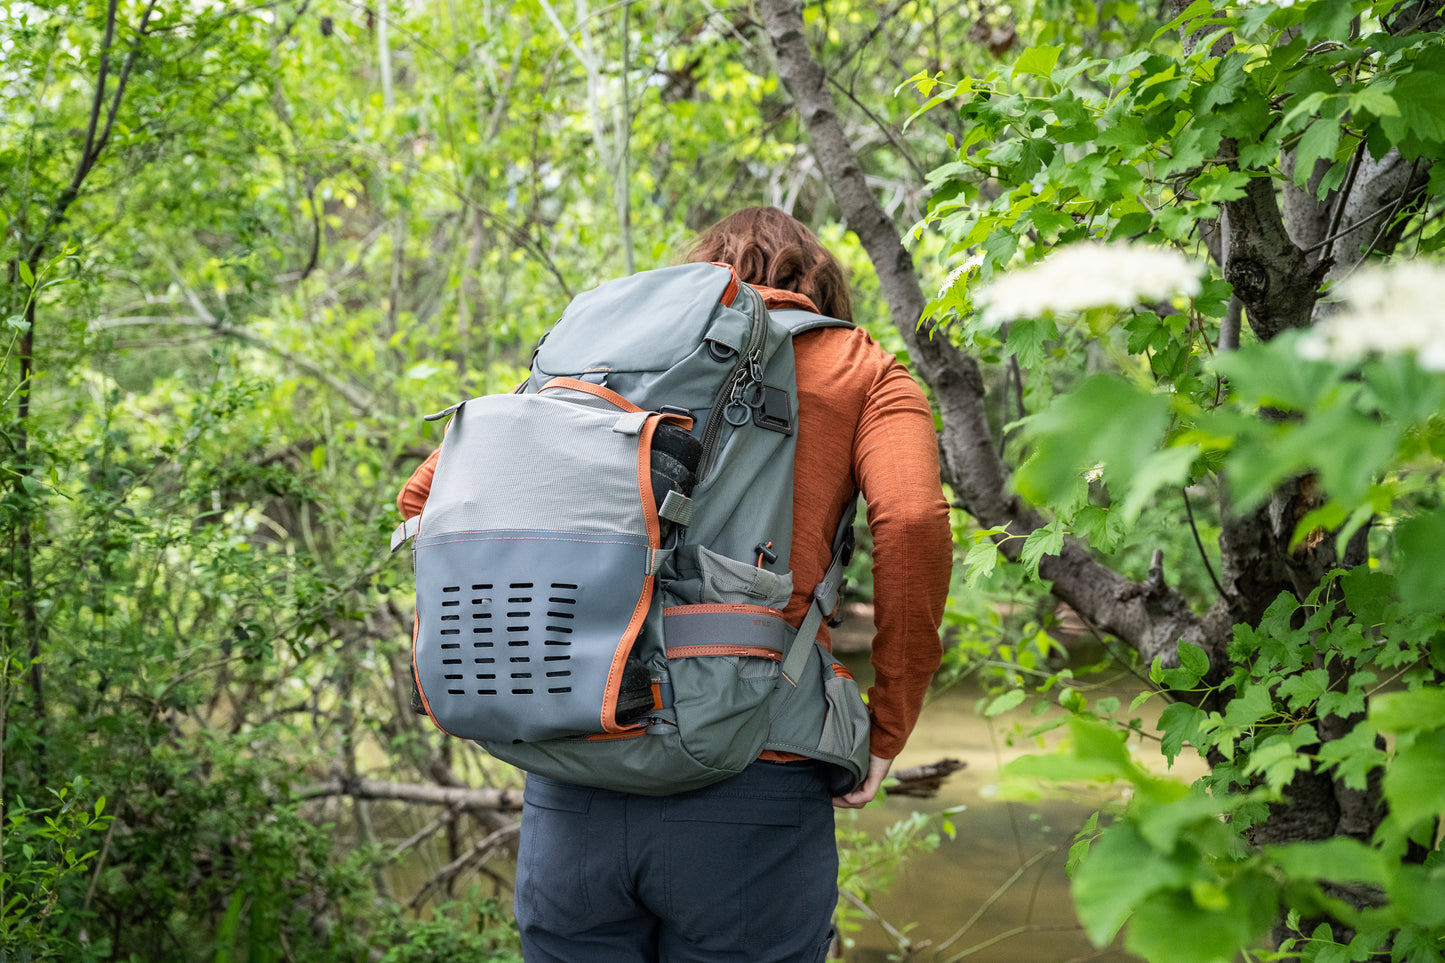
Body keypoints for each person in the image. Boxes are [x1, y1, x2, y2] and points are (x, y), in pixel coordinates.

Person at [398, 207, 952, 962]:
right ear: (821, 285)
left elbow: (424, 499)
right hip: (754, 777)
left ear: (702, 273)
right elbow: (913, 520)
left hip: (578, 762)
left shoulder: (594, 365)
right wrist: (887, 725)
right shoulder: (859, 365)